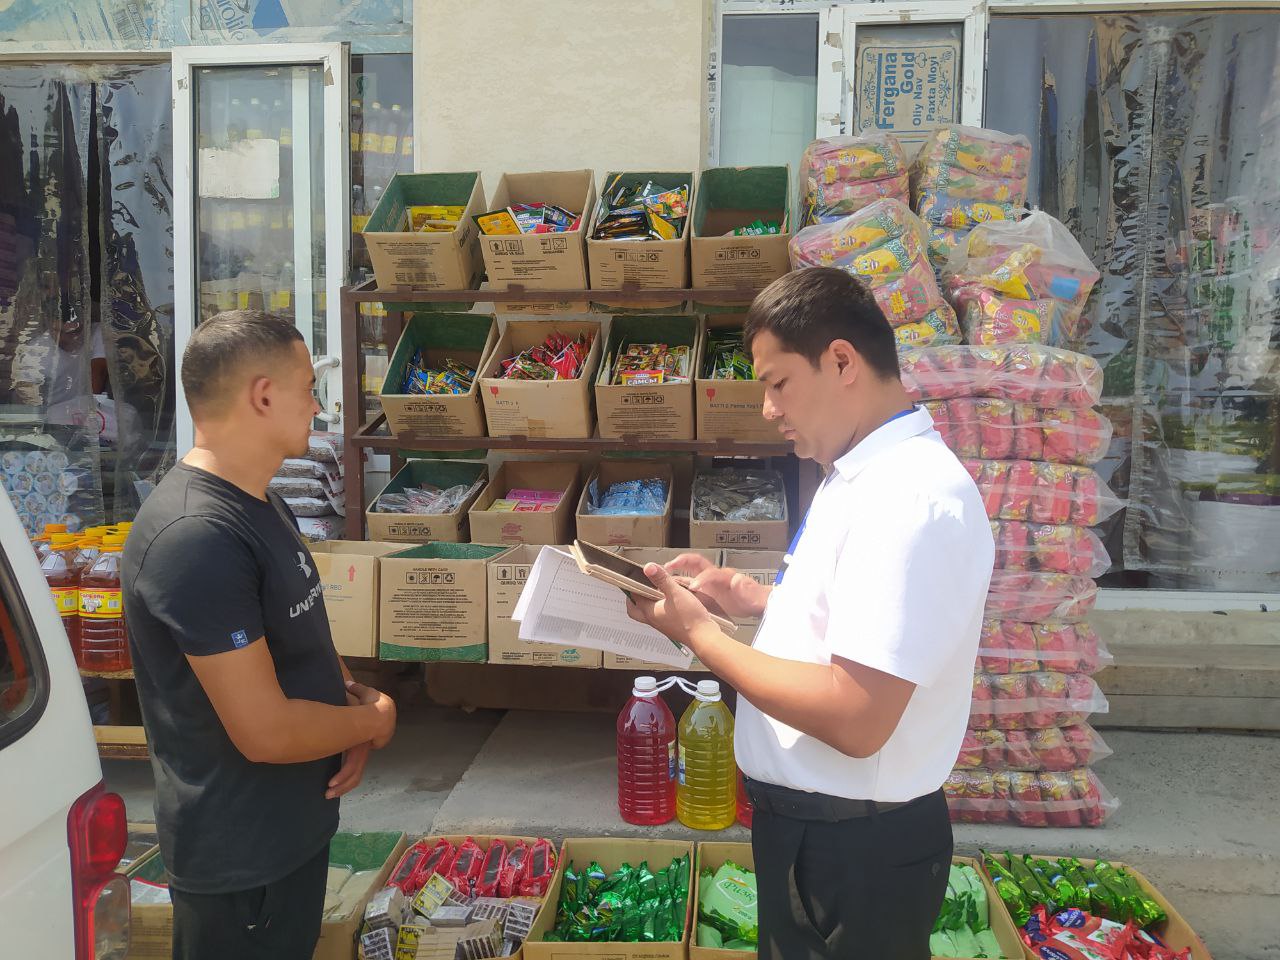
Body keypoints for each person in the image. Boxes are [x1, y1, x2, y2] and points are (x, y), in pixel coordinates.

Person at [626, 267, 994, 960]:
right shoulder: (860, 474)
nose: (768, 409)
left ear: (842, 361)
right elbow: (860, 622)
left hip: (854, 851)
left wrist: (699, 634)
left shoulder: (908, 500)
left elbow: (856, 716)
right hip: (819, 836)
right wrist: (752, 597)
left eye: (778, 383)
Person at [122, 310, 397, 960]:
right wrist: (374, 721)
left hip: (290, 832)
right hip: (241, 861)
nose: (318, 406)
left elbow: (299, 622)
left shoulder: (262, 502)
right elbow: (265, 731)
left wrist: (347, 713)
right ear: (263, 395)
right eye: (309, 388)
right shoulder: (196, 536)